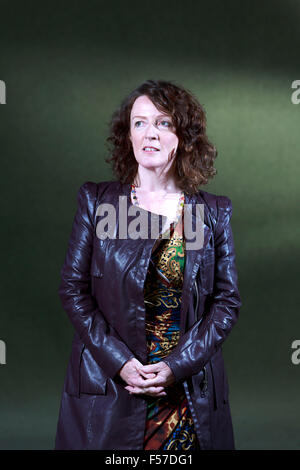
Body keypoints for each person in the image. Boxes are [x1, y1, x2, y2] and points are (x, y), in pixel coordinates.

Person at [54, 79, 242, 450]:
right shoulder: (97, 202)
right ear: (127, 136)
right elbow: (73, 291)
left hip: (185, 395)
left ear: (184, 137)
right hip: (112, 390)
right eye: (139, 123)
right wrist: (120, 362)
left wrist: (177, 366)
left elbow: (227, 302)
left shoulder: (212, 213)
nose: (149, 133)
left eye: (163, 123)